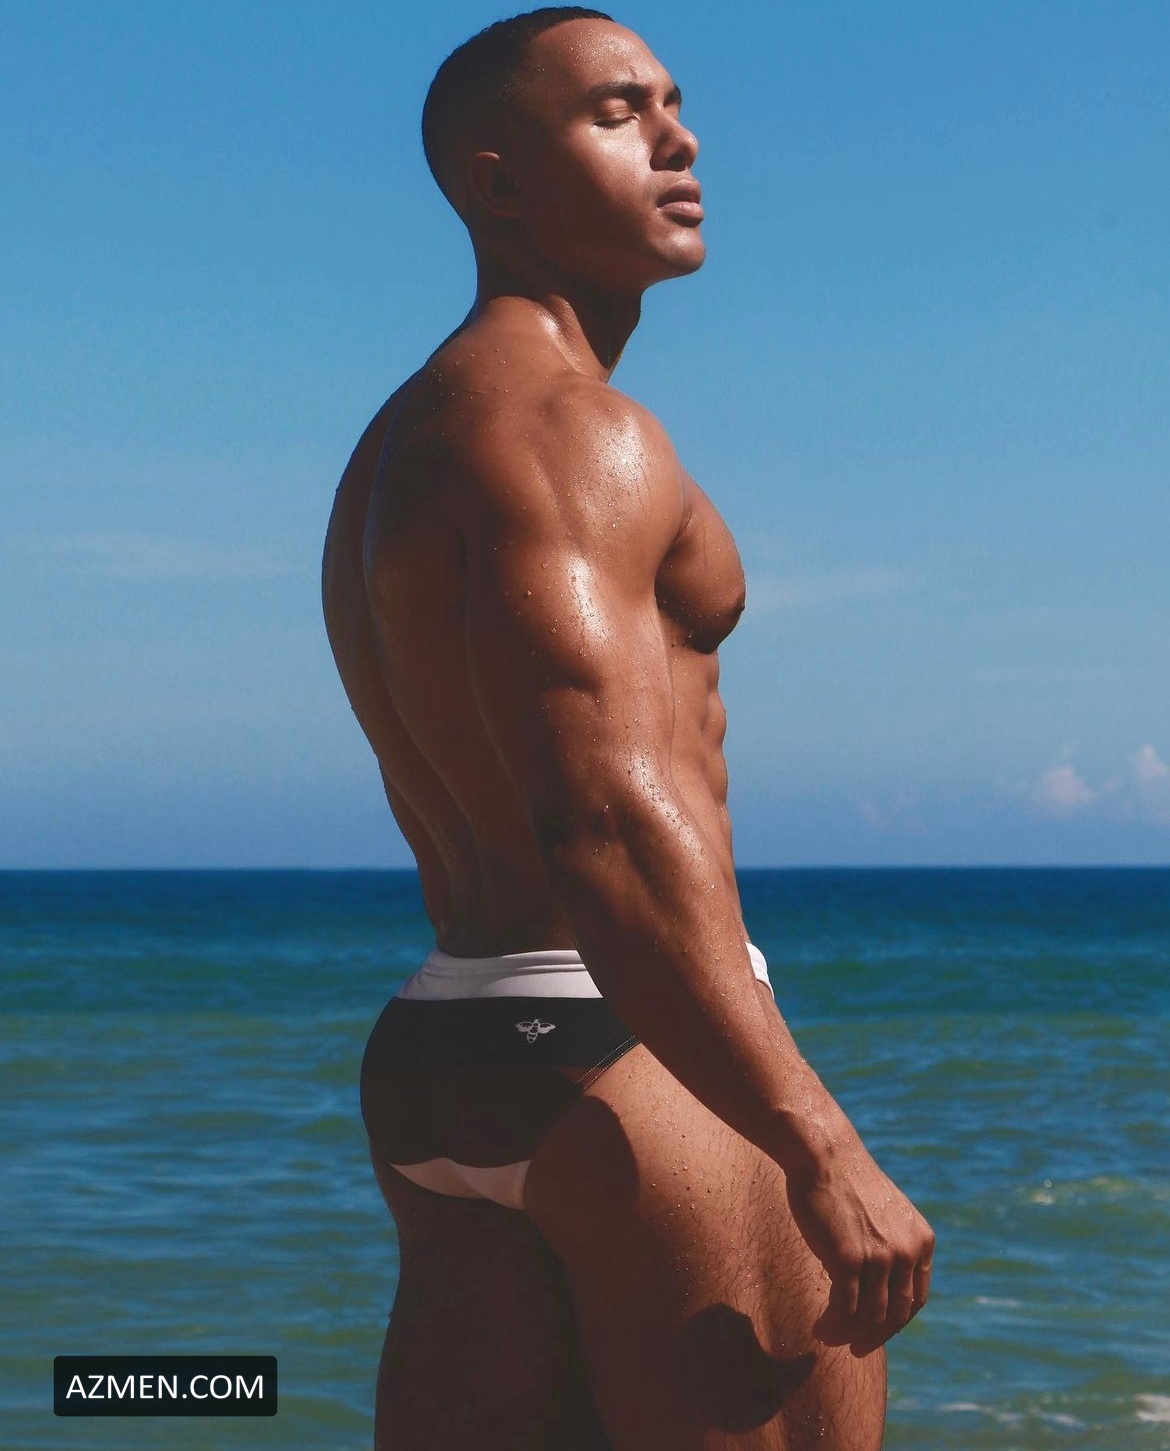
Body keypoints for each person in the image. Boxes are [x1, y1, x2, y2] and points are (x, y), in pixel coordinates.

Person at [322, 8, 935, 1447]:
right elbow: (599, 814)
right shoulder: (572, 432)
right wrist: (811, 1136)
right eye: (616, 113)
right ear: (495, 183)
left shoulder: (407, 437)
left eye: (671, 102)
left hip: (451, 1045)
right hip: (634, 1054)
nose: (679, 139)